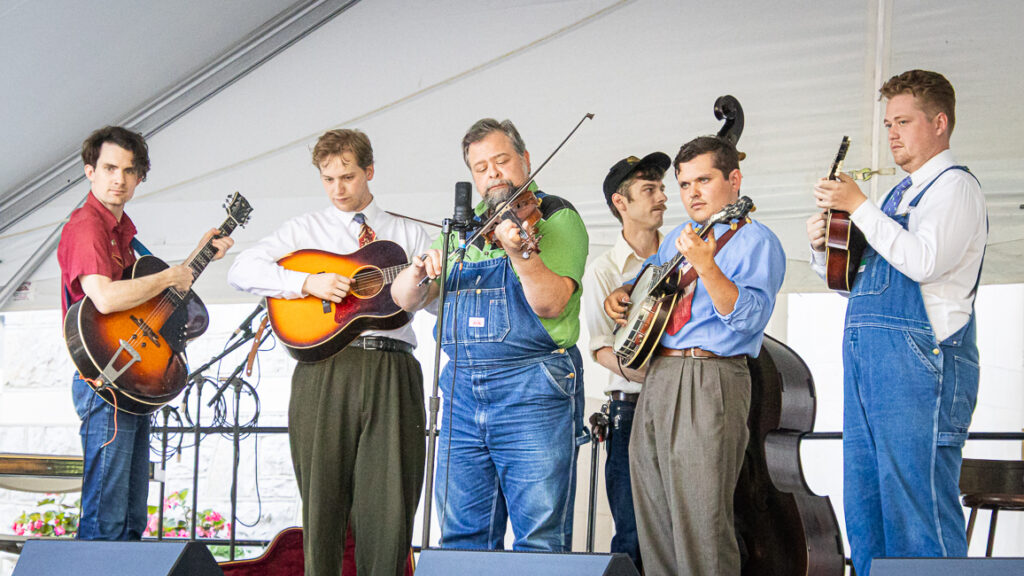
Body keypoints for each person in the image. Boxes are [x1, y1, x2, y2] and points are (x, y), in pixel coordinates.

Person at [807, 69, 986, 576]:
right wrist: (823, 247)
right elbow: (853, 283)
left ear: (940, 123)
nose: (892, 134)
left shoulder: (955, 187)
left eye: (903, 121)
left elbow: (924, 261)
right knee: (867, 506)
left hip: (922, 366)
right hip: (873, 363)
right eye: (888, 123)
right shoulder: (895, 197)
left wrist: (859, 207)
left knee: (917, 509)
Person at [228, 129, 429, 576]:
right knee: (322, 503)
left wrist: (424, 279)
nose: (338, 189)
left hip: (391, 367)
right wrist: (305, 282)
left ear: (369, 171)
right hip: (322, 368)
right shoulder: (304, 230)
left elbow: (430, 303)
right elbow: (241, 270)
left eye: (348, 176)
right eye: (328, 179)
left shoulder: (409, 233)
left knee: (390, 506)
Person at [392, 118, 589, 551]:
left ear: (526, 160)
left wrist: (521, 254)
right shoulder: (464, 230)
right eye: (481, 168)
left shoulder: (555, 217)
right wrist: (419, 269)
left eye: (501, 161)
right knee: (462, 537)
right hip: (461, 391)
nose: (493, 173)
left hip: (532, 387)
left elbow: (551, 303)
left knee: (539, 540)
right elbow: (405, 299)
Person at [604, 135, 786, 575]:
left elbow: (749, 318)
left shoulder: (756, 240)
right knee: (654, 516)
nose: (692, 193)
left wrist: (707, 265)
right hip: (660, 374)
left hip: (711, 374)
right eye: (685, 184)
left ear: (734, 179)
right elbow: (650, 285)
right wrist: (622, 293)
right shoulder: (677, 238)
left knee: (702, 520)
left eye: (704, 180)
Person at [57, 126, 233, 540]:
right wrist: (171, 275)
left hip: (128, 379)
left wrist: (197, 257)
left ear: (139, 178)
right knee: (106, 521)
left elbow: (146, 302)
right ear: (90, 171)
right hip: (106, 380)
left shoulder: (123, 232)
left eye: (129, 171)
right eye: (109, 168)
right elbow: (104, 298)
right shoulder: (87, 226)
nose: (119, 179)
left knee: (131, 520)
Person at [582, 152, 670, 570]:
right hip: (630, 409)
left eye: (662, 188)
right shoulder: (602, 269)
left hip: (681, 404)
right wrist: (658, 375)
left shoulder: (683, 253)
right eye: (649, 190)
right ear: (621, 202)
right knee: (631, 530)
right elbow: (600, 348)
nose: (663, 197)